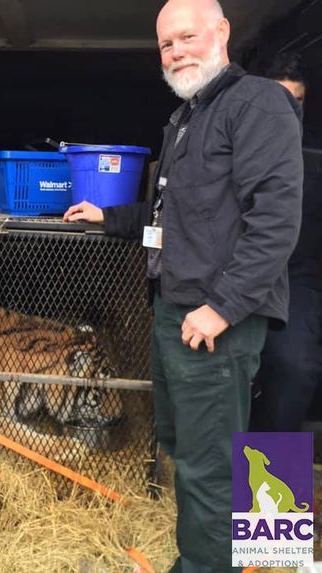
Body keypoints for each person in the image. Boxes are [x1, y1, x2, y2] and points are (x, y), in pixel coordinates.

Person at [63, 0, 303, 570]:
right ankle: (218, 555)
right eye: (166, 44)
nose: (176, 51)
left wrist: (222, 306)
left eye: (187, 37)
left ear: (223, 33)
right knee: (191, 449)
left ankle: (249, 558)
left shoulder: (259, 103)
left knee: (236, 450)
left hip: (231, 310)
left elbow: (276, 220)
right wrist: (113, 217)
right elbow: (178, 218)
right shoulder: (189, 116)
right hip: (191, 310)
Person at [250, 53, 322, 432]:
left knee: (295, 370)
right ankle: (223, 485)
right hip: (238, 280)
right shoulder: (233, 146)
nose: (288, 112)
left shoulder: (315, 156)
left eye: (296, 102)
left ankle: (274, 490)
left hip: (297, 282)